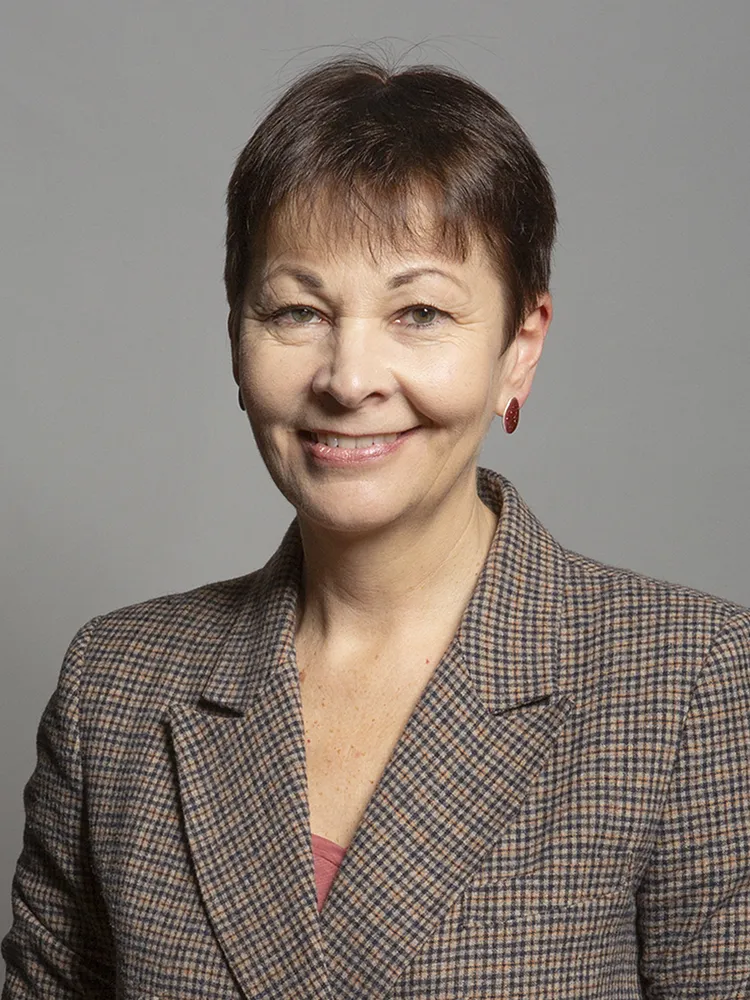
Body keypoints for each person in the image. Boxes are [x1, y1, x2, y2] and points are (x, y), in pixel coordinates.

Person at [2, 52, 749, 1000]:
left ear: (519, 349)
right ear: (236, 336)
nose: (349, 379)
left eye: (420, 312)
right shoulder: (115, 690)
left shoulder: (690, 685)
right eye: (298, 312)